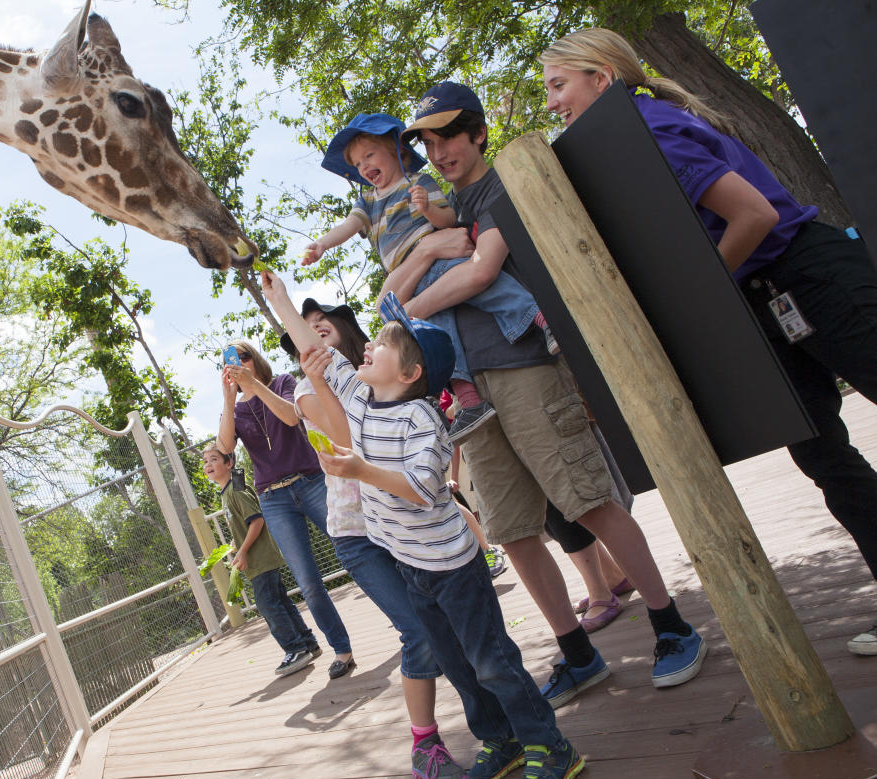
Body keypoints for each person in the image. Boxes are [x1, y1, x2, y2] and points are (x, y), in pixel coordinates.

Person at [538, 28, 877, 657]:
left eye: (559, 85)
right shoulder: (634, 138)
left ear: (603, 79)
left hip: (811, 274)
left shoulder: (653, 132)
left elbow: (756, 216)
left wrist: (698, 293)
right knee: (824, 457)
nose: (553, 103)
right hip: (766, 297)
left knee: (829, 456)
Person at [390, 80, 708, 705]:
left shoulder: (508, 181)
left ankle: (670, 624)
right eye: (427, 141)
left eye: (449, 134)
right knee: (511, 529)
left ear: (478, 132)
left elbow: (482, 273)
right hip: (471, 391)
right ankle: (577, 653)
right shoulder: (448, 214)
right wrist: (425, 253)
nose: (439, 149)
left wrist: (405, 324)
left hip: (527, 364)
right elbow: (396, 285)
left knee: (586, 499)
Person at [306, 287, 585, 779]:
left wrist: (360, 469)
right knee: (456, 664)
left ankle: (550, 744)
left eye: (381, 346)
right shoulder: (363, 404)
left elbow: (419, 488)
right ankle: (501, 738)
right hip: (414, 568)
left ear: (410, 375)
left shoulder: (424, 422)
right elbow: (318, 353)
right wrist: (278, 300)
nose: (365, 349)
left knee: (491, 661)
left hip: (454, 568)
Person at [265, 277, 465, 779]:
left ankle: (491, 717)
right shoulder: (314, 384)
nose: (313, 332)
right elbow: (344, 439)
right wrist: (280, 301)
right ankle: (426, 743)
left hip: (407, 524)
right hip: (359, 533)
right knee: (418, 631)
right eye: (305, 331)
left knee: (449, 625)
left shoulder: (388, 378)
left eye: (322, 321)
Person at [303, 113, 553, 441]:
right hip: (410, 275)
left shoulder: (417, 183)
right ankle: (468, 399)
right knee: (440, 335)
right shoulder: (367, 200)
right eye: (357, 162)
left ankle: (542, 318)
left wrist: (427, 211)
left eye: (369, 155)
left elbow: (449, 219)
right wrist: (323, 243)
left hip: (433, 259)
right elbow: (349, 226)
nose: (364, 167)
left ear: (396, 151)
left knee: (490, 289)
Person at [216, 343, 355, 674]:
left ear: (255, 360)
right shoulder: (234, 410)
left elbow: (291, 418)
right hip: (273, 498)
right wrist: (229, 397)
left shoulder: (281, 383)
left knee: (355, 549)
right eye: (228, 363)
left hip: (311, 482)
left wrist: (253, 385)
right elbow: (224, 447)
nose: (237, 365)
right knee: (307, 582)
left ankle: (408, 617)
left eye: (242, 357)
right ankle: (342, 651)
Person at [202, 442, 319, 677]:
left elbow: (257, 521)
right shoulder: (229, 491)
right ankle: (307, 643)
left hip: (261, 559)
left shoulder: (236, 490)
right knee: (280, 602)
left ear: (229, 464)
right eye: (205, 461)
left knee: (267, 605)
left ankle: (295, 649)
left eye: (214, 459)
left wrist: (244, 551)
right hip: (259, 559)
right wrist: (238, 546)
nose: (208, 465)